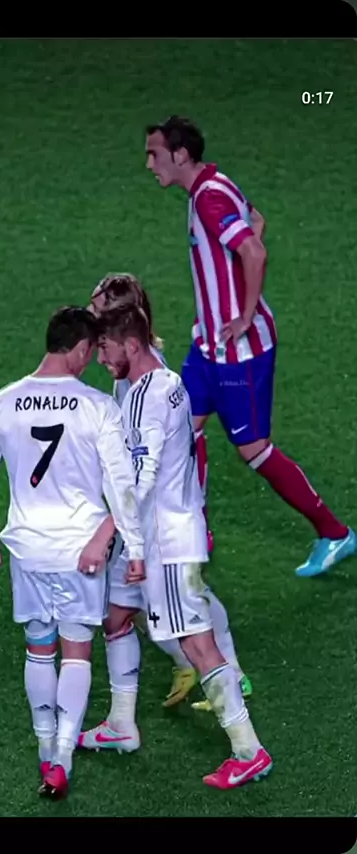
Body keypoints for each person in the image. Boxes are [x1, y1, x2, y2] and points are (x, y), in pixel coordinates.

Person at [144, 114, 356, 577]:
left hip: (239, 353)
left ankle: (335, 533)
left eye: (154, 155)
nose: (149, 164)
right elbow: (256, 220)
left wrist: (243, 313)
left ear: (180, 154)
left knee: (254, 449)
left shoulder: (209, 199)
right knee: (182, 427)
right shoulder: (214, 183)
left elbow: (254, 250)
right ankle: (196, 530)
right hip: (208, 345)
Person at [80, 305, 272, 788]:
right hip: (157, 533)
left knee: (196, 644)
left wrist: (111, 537)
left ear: (131, 344)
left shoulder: (147, 397)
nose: (101, 359)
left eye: (104, 348)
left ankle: (248, 750)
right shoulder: (161, 383)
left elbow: (139, 480)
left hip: (164, 542)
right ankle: (121, 725)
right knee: (116, 616)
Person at [0, 306, 146, 800]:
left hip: (28, 549)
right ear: (81, 348)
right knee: (76, 650)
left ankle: (45, 748)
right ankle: (63, 755)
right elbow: (121, 484)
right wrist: (134, 544)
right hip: (80, 552)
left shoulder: (3, 402)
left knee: (38, 647)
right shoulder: (96, 407)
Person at [87, 272, 252, 713]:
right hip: (154, 504)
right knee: (126, 604)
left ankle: (227, 675)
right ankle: (180, 674)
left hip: (165, 505)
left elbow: (148, 462)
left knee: (186, 592)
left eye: (96, 309)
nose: (90, 317)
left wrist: (112, 524)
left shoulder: (143, 377)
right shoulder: (131, 366)